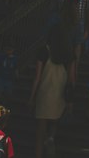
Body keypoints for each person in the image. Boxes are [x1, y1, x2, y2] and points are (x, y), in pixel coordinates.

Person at [29, 23, 75, 158]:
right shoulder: (68, 53)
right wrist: (70, 101)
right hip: (60, 93)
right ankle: (51, 138)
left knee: (40, 131)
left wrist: (31, 98)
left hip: (44, 93)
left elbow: (37, 77)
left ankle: (39, 153)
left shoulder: (44, 51)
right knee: (55, 120)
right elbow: (72, 79)